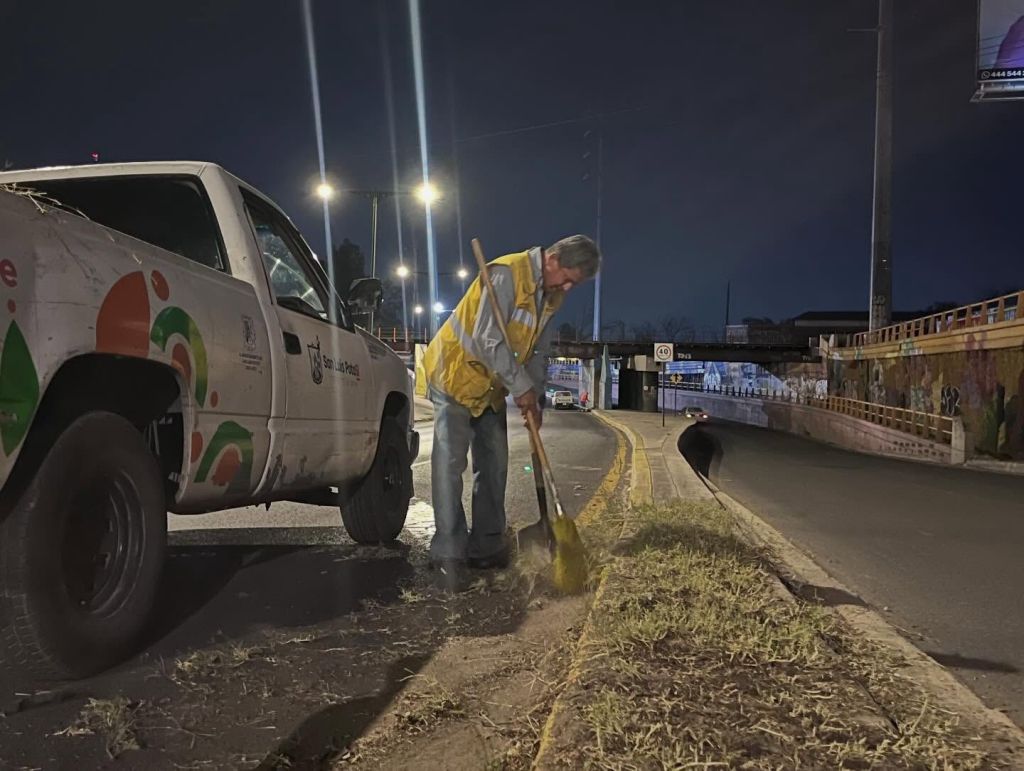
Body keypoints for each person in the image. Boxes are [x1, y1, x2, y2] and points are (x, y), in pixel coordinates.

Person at [422, 235, 601, 580]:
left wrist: (535, 396)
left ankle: (486, 547)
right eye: (566, 277)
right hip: (454, 374)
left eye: (573, 284)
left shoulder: (553, 296)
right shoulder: (506, 274)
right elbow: (488, 339)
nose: (566, 286)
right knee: (449, 465)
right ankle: (449, 549)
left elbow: (536, 352)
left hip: (490, 387)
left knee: (495, 466)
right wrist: (520, 388)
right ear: (551, 259)